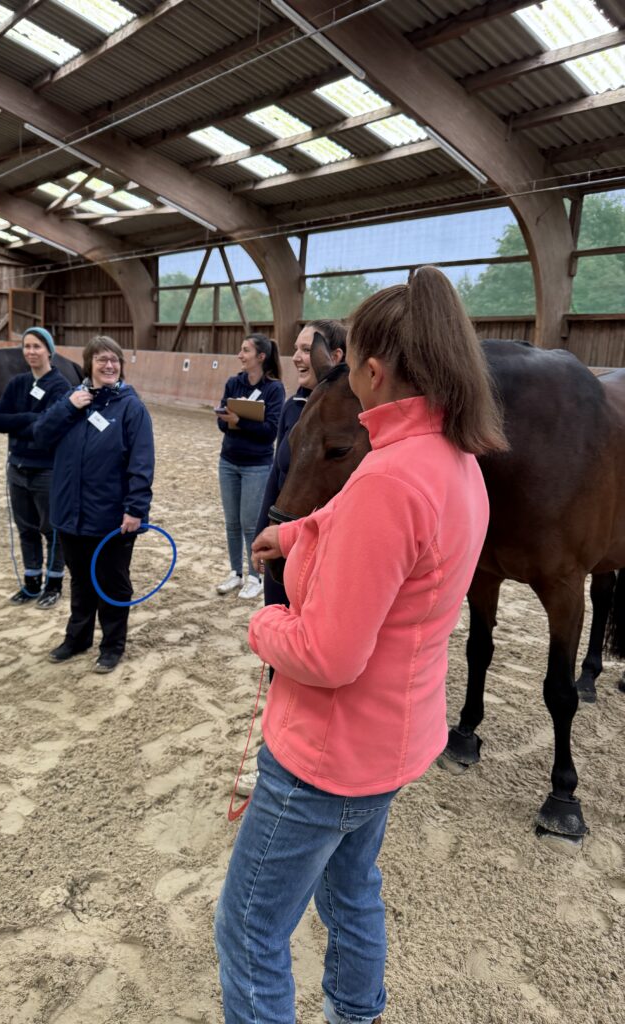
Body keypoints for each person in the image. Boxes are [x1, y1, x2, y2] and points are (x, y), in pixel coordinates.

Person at [214, 267, 508, 1024]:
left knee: (248, 930)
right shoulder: (454, 460)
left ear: (373, 371)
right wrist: (299, 528)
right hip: (390, 743)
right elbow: (372, 533)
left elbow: (331, 653)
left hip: (325, 754)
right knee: (350, 894)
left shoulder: (390, 478)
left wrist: (260, 628)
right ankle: (356, 1014)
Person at [32, 336, 154, 673]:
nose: (109, 365)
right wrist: (68, 406)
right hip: (71, 514)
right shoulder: (71, 401)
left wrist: (135, 509)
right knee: (81, 581)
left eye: (114, 359)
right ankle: (78, 638)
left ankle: (112, 646)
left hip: (112, 517)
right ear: (90, 365)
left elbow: (141, 464)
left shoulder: (132, 407)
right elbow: (41, 436)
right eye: (101, 359)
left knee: (113, 583)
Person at [255, 319, 346, 609]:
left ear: (335, 357)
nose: (295, 357)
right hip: (282, 535)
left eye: (306, 350)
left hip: (320, 547)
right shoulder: (292, 406)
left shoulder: (351, 421)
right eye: (296, 349)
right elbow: (277, 475)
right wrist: (262, 531)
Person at [0, 326, 70, 608]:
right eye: (27, 346)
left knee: (52, 529)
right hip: (17, 468)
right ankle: (32, 583)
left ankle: (54, 583)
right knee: (25, 529)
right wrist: (30, 419)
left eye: (37, 346)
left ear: (49, 350)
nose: (31, 351)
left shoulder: (60, 386)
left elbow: (47, 428)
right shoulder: (17, 384)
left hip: (46, 470)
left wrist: (23, 422)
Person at [215, 334, 284, 601]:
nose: (240, 355)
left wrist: (238, 421)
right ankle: (236, 572)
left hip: (256, 466)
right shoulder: (234, 383)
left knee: (249, 524)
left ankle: (255, 576)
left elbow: (269, 432)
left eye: (245, 351)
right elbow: (221, 423)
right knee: (232, 522)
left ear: (261, 357)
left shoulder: (273, 389)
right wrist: (231, 421)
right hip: (228, 461)